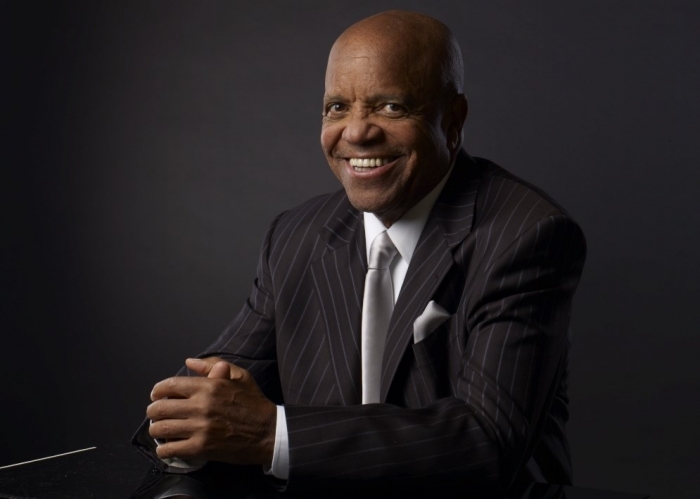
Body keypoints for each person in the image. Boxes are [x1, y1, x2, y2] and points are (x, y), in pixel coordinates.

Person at [134, 10, 586, 493]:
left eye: (390, 107)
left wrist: (272, 435)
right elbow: (198, 404)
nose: (356, 133)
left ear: (452, 121)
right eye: (337, 108)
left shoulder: (525, 235)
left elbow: (486, 441)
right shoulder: (296, 235)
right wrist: (198, 427)